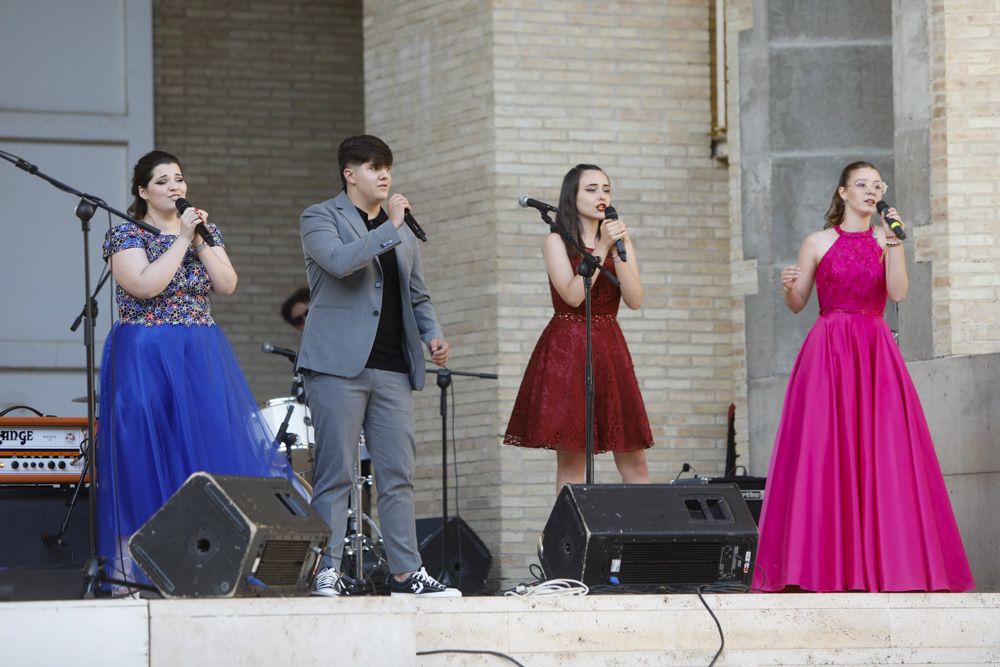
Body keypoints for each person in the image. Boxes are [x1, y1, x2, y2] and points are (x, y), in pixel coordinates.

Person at [753, 161, 975, 592]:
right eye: (861, 185)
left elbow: (898, 293)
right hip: (828, 351)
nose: (871, 192)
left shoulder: (887, 238)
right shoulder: (816, 241)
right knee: (823, 453)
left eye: (877, 186)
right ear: (842, 193)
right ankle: (818, 567)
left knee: (883, 452)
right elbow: (798, 303)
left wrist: (894, 244)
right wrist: (787, 285)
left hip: (874, 349)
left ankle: (887, 566)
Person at [97, 150, 300, 587]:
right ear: (142, 191)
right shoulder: (126, 234)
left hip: (199, 348)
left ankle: (208, 561)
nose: (175, 187)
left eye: (180, 179)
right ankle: (125, 569)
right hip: (146, 349)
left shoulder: (205, 231)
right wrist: (181, 241)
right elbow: (146, 285)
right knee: (140, 451)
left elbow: (227, 284)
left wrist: (201, 239)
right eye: (164, 180)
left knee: (204, 446)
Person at [297, 135, 458, 597]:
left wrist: (433, 335)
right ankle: (324, 571)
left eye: (387, 166)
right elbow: (341, 262)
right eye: (373, 167)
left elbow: (417, 293)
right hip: (336, 365)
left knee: (397, 473)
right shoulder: (320, 217)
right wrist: (389, 226)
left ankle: (407, 573)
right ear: (350, 173)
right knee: (336, 473)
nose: (384, 175)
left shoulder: (401, 228)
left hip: (391, 366)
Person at [503, 164, 654, 492]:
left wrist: (619, 247)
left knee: (634, 458)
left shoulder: (619, 240)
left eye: (606, 189)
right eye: (592, 189)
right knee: (572, 462)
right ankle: (568, 543)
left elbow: (635, 298)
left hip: (609, 346)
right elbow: (572, 295)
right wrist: (600, 247)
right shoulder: (556, 241)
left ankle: (641, 541)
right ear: (571, 196)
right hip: (569, 347)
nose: (602, 195)